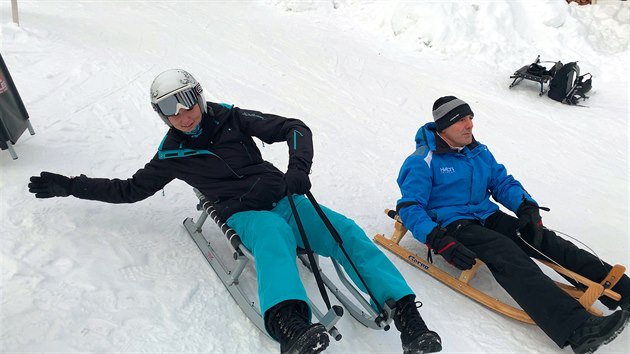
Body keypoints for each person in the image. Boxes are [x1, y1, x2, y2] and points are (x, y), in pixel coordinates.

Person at [28, 69, 442, 354]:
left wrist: (297, 169)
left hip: (285, 197)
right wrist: (70, 185)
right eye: (170, 108)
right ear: (161, 115)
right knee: (273, 238)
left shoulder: (230, 117)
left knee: (345, 232)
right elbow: (130, 190)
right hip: (243, 213)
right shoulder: (171, 154)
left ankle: (405, 314)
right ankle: (289, 323)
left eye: (188, 100)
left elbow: (294, 128)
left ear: (199, 95)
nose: (183, 113)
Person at [395, 95, 630, 354]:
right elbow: (409, 207)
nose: (469, 125)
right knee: (506, 252)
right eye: (461, 120)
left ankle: (623, 289)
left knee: (544, 239)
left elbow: (502, 182)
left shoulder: (478, 152)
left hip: (486, 215)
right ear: (443, 127)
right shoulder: (422, 160)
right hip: (453, 224)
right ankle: (578, 328)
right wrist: (437, 239)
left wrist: (525, 206)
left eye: (470, 117)